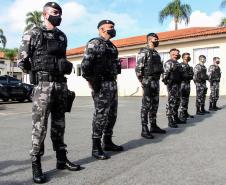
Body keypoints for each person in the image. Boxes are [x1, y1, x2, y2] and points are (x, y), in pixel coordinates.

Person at [17, 2, 80, 183]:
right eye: (54, 12)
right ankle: (36, 164)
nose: (58, 15)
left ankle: (61, 159)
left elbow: (62, 59)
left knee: (59, 124)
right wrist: (37, 72)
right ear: (45, 14)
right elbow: (22, 60)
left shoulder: (62, 36)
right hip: (43, 86)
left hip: (60, 85)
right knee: (40, 126)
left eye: (60, 12)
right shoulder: (34, 33)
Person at [81, 20, 123, 160]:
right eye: (110, 27)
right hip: (101, 84)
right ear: (101, 29)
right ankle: (96, 146)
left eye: (113, 27)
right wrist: (91, 81)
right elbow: (86, 65)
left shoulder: (111, 46)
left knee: (112, 114)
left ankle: (108, 141)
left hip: (112, 82)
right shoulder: (95, 43)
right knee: (101, 116)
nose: (113, 29)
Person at [135, 33, 166, 139]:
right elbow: (139, 68)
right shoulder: (144, 51)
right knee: (146, 106)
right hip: (148, 80)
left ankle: (153, 126)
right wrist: (143, 81)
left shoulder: (156, 53)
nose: (157, 40)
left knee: (155, 104)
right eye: (155, 39)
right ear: (149, 40)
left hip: (156, 81)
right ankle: (144, 129)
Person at [162, 48, 185, 128]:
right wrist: (168, 83)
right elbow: (165, 75)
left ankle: (176, 118)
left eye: (178, 53)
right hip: (172, 85)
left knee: (177, 102)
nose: (178, 54)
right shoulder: (169, 63)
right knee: (171, 102)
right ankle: (170, 120)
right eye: (176, 53)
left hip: (178, 85)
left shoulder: (178, 63)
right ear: (172, 54)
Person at [179, 53, 194, 122]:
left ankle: (185, 112)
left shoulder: (189, 66)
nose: (187, 58)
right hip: (182, 84)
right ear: (183, 58)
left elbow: (191, 75)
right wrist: (187, 75)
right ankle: (181, 115)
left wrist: (188, 75)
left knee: (186, 99)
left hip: (187, 84)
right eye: (186, 57)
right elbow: (181, 75)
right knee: (182, 100)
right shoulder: (180, 65)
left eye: (188, 57)